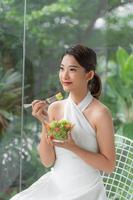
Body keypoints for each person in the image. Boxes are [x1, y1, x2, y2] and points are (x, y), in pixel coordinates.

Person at [10, 44, 116, 200]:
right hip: (56, 186)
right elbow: (47, 162)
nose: (64, 75)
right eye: (62, 68)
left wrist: (72, 147)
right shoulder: (55, 108)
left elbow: (109, 166)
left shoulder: (100, 113)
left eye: (72, 70)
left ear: (89, 75)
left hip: (87, 191)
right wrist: (44, 123)